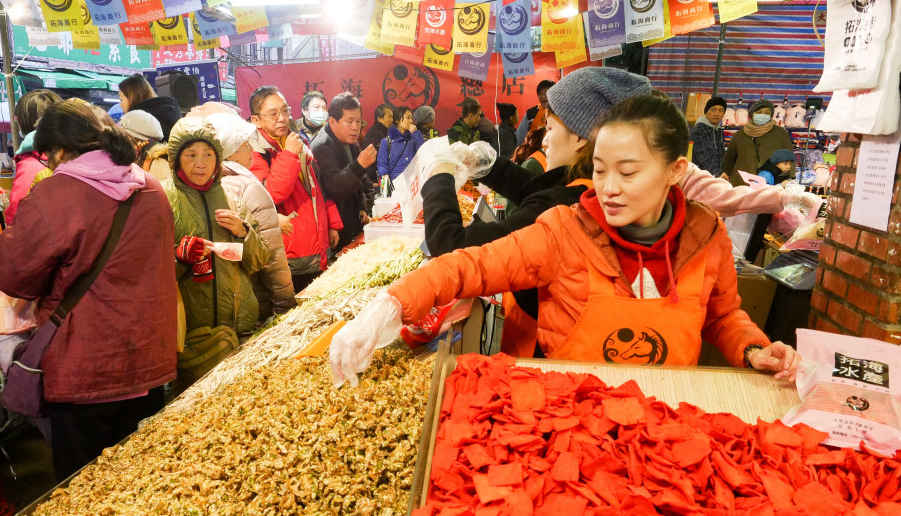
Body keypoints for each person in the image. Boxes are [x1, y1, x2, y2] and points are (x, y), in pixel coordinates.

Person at [331, 95, 802, 386]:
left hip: (664, 421)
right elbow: (468, 265)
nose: (609, 187)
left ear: (676, 170)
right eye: (599, 170)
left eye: (628, 172)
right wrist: (392, 305)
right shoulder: (563, 229)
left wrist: (753, 348)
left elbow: (722, 314)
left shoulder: (707, 234)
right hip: (568, 425)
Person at [420, 68, 822, 358]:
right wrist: (487, 165)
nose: (545, 133)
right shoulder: (568, 201)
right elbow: (531, 196)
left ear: (583, 136)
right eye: (602, 172)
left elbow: (454, 247)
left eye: (552, 123)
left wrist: (438, 174)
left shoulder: (694, 230)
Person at [0, 101, 178, 481]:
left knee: (85, 492)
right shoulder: (151, 188)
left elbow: (12, 274)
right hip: (148, 364)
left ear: (58, 149)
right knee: (145, 482)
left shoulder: (57, 195)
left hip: (84, 371)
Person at [165, 116, 270, 389]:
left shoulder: (232, 199)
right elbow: (146, 271)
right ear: (176, 159)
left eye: (208, 154)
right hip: (189, 336)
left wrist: (244, 233)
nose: (200, 163)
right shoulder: (163, 201)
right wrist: (179, 258)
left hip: (239, 327)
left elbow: (259, 261)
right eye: (191, 154)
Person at [249, 86, 342, 293]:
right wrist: (289, 156)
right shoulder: (254, 153)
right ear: (256, 120)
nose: (282, 118)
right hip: (290, 255)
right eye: (273, 114)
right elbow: (270, 195)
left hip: (318, 243)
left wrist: (332, 222)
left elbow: (317, 185)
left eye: (285, 110)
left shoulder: (295, 141)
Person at [210, 113, 296, 322]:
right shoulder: (248, 187)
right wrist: (286, 305)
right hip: (258, 300)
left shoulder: (212, 184)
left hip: (227, 303)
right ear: (229, 152)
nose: (251, 149)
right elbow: (273, 258)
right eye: (244, 144)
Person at [311, 93, 378, 253]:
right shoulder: (322, 147)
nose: (356, 127)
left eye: (359, 121)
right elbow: (333, 188)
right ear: (333, 122)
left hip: (354, 226)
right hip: (336, 233)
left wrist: (363, 207)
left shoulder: (352, 143)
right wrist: (359, 165)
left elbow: (365, 184)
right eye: (349, 121)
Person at [6, 89, 62, 227]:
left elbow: (17, 214)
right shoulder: (68, 152)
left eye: (17, 118)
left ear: (25, 122)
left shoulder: (31, 165)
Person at [721, 99, 794, 187]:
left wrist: (790, 178)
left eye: (767, 113)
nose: (763, 115)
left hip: (770, 184)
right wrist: (725, 172)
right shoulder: (740, 134)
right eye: (759, 112)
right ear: (752, 114)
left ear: (771, 115)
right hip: (741, 184)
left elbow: (790, 158)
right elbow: (729, 158)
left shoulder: (781, 134)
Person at [119, 74, 183, 142]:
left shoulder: (141, 123)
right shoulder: (170, 112)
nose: (120, 105)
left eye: (121, 99)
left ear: (133, 98)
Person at [376, 105, 425, 183]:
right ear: (397, 120)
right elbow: (382, 163)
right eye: (407, 117)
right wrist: (385, 174)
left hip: (413, 183)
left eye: (411, 118)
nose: (411, 121)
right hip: (395, 183)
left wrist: (416, 134)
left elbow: (424, 152)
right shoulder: (386, 141)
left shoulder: (414, 138)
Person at [690, 96, 726, 177]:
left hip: (715, 176)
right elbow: (701, 155)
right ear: (706, 112)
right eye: (713, 110)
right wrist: (718, 173)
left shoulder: (718, 129)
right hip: (701, 176)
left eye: (721, 110)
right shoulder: (699, 129)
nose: (717, 114)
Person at [516, 79, 555, 145]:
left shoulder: (561, 112)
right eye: (540, 94)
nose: (543, 96)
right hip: (535, 152)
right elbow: (519, 137)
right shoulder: (531, 113)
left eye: (546, 93)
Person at [362, 104, 395, 182]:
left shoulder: (383, 131)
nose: (392, 120)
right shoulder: (376, 134)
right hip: (375, 177)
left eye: (392, 117)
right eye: (389, 117)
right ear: (379, 118)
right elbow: (376, 160)